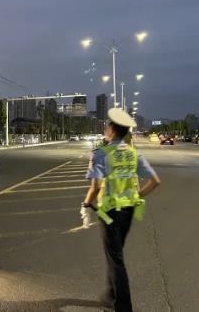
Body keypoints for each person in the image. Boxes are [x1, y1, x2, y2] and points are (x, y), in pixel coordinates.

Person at [82, 108, 161, 312]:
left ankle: (123, 306)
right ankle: (111, 293)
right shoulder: (133, 153)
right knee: (115, 253)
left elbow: (96, 186)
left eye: (107, 126)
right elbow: (155, 181)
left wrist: (85, 205)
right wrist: (138, 195)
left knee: (116, 258)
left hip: (108, 213)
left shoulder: (101, 154)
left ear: (112, 130)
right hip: (128, 211)